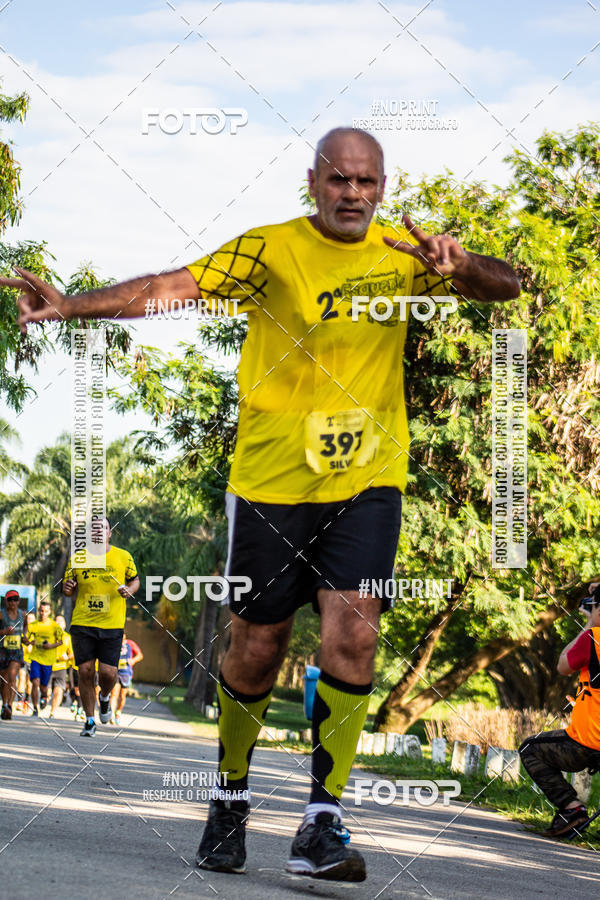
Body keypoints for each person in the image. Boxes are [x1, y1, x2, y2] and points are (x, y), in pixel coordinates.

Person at [1, 127, 520, 881]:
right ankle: (230, 796)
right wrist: (74, 304)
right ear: (313, 183)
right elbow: (172, 288)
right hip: (271, 483)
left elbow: (506, 285)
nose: (353, 193)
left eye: (366, 181)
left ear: (383, 188)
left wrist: (463, 264)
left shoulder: (409, 260)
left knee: (355, 632)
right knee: (257, 647)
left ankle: (321, 822)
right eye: (338, 178)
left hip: (368, 480)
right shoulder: (269, 249)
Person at [520, 584, 600, 838]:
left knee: (530, 749)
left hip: (588, 742)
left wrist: (590, 623)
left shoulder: (593, 638)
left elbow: (563, 666)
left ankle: (572, 808)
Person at [61, 518, 139, 737]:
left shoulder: (123, 557)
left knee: (108, 672)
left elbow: (135, 580)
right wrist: (67, 587)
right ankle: (89, 720)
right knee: (85, 671)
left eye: (103, 528)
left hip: (112, 624)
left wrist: (130, 590)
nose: (98, 532)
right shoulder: (78, 558)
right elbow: (68, 588)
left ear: (109, 533)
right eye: (94, 529)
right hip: (83, 623)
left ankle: (104, 697)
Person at [27, 601, 64, 717]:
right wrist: (29, 642)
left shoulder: (54, 626)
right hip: (35, 658)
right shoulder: (33, 625)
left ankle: (44, 695)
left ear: (50, 612)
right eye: (41, 611)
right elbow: (26, 639)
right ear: (39, 611)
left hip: (48, 660)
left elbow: (61, 641)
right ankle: (35, 708)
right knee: (35, 682)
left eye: (46, 611)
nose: (43, 613)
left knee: (43, 687)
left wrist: (50, 646)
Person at [0, 590, 27, 719]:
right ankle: (4, 703)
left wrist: (25, 637)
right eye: (10, 599)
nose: (12, 602)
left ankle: (9, 705)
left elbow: (25, 627)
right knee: (4, 679)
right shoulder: (1, 614)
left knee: (12, 677)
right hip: (3, 649)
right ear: (6, 601)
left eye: (15, 599)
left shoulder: (23, 614)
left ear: (19, 601)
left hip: (16, 650)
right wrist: (4, 632)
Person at [110, 632, 143, 725]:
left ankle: (118, 712)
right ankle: (111, 714)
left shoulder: (130, 644)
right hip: (115, 672)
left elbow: (140, 655)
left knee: (122, 695)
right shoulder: (113, 643)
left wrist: (133, 660)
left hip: (126, 673)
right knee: (114, 693)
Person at [49, 615, 74, 719]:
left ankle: (52, 712)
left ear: (65, 625)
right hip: (48, 665)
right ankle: (44, 699)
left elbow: (72, 654)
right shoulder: (49, 635)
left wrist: (67, 657)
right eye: (57, 621)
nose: (59, 623)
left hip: (61, 667)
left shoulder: (68, 637)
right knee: (47, 691)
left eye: (61, 622)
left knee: (58, 691)